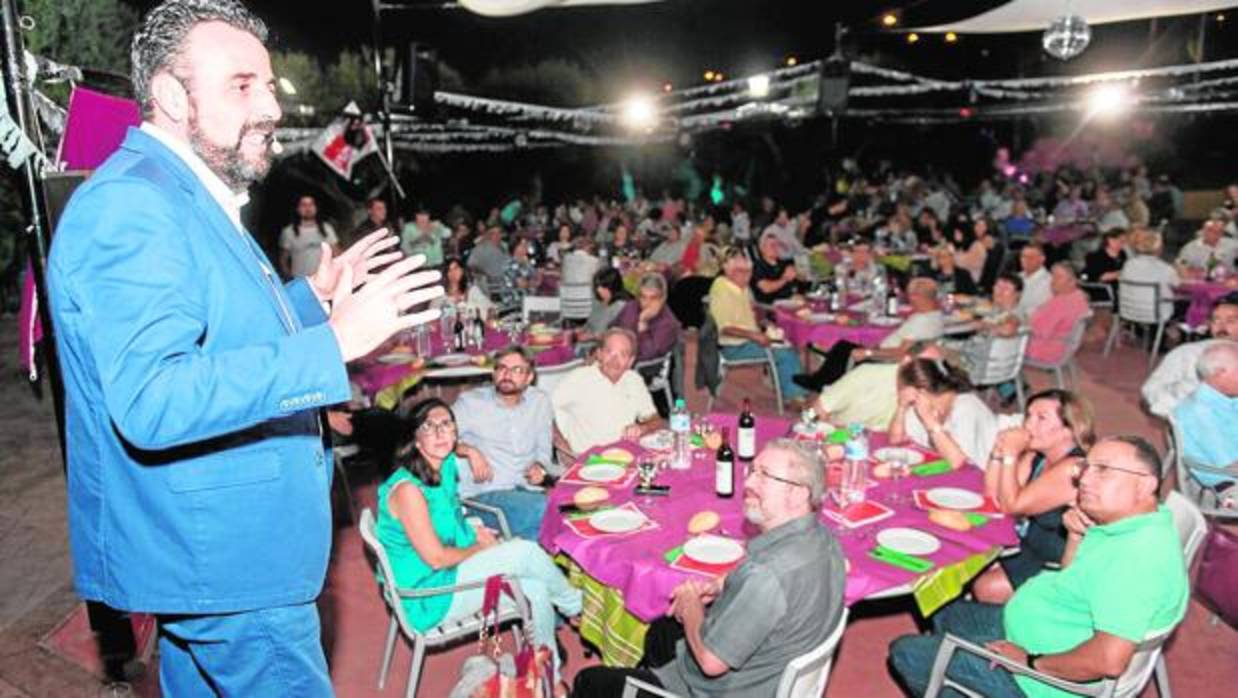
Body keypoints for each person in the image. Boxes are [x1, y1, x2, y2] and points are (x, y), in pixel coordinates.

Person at [45, 2, 443, 693]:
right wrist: (334, 342)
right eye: (241, 86)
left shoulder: (183, 192)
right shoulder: (133, 206)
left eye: (267, 86)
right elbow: (153, 398)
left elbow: (213, 328)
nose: (270, 107)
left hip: (218, 563)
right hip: (228, 562)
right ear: (171, 95)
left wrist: (307, 300)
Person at [890, 436, 1187, 698]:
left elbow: (1109, 659)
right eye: (1087, 467)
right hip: (1038, 626)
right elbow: (1073, 576)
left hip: (1039, 680)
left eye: (1104, 470)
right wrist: (1075, 537)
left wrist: (1030, 661)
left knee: (906, 652)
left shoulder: (1138, 558)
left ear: (1145, 484)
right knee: (942, 609)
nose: (1084, 480)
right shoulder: (1131, 522)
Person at [572, 439, 846, 696]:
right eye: (752, 471)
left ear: (798, 494)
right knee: (662, 630)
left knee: (590, 682)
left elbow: (711, 663)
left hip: (720, 689)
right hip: (769, 670)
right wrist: (720, 585)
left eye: (764, 475)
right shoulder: (824, 540)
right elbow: (764, 578)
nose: (749, 481)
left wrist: (693, 606)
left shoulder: (767, 578)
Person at [377, 398, 581, 692]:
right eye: (429, 427)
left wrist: (470, 451)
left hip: (446, 572)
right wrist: (481, 548)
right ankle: (576, 605)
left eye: (447, 424)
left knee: (536, 590)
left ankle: (551, 678)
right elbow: (435, 558)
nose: (440, 433)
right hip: (429, 594)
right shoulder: (409, 490)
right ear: (415, 439)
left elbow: (450, 501)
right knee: (523, 551)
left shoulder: (442, 463)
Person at [974, 389, 1095, 603]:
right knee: (972, 562)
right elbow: (994, 498)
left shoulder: (1073, 468)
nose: (1029, 425)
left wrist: (1011, 455)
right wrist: (998, 451)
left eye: (1041, 418)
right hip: (1030, 545)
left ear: (1069, 429)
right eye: (1028, 416)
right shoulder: (1038, 455)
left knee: (985, 587)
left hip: (1057, 561)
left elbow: (1013, 506)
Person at [453, 347, 556, 541]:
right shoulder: (471, 404)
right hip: (486, 497)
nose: (507, 375)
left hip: (527, 490)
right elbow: (432, 437)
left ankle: (524, 558)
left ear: (529, 377)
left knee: (566, 508)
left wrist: (540, 468)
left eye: (517, 370)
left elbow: (544, 450)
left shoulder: (539, 402)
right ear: (494, 373)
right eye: (502, 368)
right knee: (545, 511)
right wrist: (468, 450)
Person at [793, 277, 945, 392]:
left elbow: (900, 353)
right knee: (843, 346)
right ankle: (822, 379)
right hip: (888, 353)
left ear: (916, 297)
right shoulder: (935, 316)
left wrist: (868, 352)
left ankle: (822, 383)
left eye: (910, 295)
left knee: (843, 349)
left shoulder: (920, 322)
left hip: (885, 361)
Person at [708, 247, 812, 407]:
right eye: (736, 262)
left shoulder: (743, 286)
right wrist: (755, 336)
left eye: (743, 261)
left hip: (747, 339)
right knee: (785, 353)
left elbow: (752, 311)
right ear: (726, 267)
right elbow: (725, 328)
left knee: (787, 343)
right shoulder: (721, 289)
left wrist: (764, 324)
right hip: (733, 346)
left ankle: (791, 390)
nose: (744, 267)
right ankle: (795, 398)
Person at [887, 358, 1017, 470]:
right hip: (948, 471)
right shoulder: (922, 405)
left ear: (921, 392)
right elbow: (896, 439)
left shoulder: (966, 406)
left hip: (982, 475)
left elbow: (958, 461)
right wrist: (901, 407)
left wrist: (930, 421)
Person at [551, 328, 663, 456]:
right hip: (588, 460)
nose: (615, 360)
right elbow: (542, 411)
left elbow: (656, 421)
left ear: (631, 361)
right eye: (610, 352)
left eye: (623, 355)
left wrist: (643, 428)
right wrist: (565, 450)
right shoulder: (579, 379)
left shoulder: (634, 380)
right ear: (599, 354)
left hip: (624, 456)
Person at [1141, 292, 1238, 416]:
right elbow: (1151, 390)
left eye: (1231, 321)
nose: (1221, 327)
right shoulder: (1188, 353)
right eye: (1216, 320)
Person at [1172, 341, 1238, 490]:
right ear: (1220, 374)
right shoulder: (1201, 413)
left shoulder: (1227, 397)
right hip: (1228, 488)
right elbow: (1232, 467)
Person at [1025, 263, 1090, 365]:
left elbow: (1038, 330)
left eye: (1058, 277)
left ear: (1072, 281)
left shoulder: (1062, 303)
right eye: (1053, 276)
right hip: (1063, 347)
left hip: (1045, 349)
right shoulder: (1079, 296)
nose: (1052, 281)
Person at [611, 272, 682, 364]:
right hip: (614, 356)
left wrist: (643, 323)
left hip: (638, 370)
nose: (647, 303)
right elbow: (612, 328)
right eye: (643, 297)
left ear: (663, 298)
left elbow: (646, 355)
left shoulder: (668, 324)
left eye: (653, 298)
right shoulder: (631, 307)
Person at [1120, 227, 1180, 320]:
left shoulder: (1128, 265)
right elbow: (1177, 285)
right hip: (1157, 314)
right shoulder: (1166, 268)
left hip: (1128, 312)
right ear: (1159, 248)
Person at [279, 193, 338, 278]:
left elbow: (337, 253)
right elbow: (283, 261)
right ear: (297, 209)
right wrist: (292, 280)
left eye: (311, 204)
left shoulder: (326, 229)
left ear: (316, 208)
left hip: (324, 280)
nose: (308, 208)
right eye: (303, 205)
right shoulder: (288, 232)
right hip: (302, 282)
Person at [578, 267, 631, 344]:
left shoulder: (621, 307)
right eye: (597, 286)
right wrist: (579, 331)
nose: (599, 290)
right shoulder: (597, 301)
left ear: (613, 287)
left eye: (603, 286)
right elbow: (589, 324)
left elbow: (619, 337)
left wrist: (592, 337)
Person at [1176, 210, 1238, 275]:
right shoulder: (1189, 248)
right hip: (1203, 281)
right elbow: (1180, 265)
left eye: (1219, 231)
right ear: (1203, 231)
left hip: (1230, 280)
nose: (1215, 234)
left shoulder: (1232, 244)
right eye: (1211, 230)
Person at [750, 230, 799, 304]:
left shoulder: (784, 264)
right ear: (762, 248)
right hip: (770, 306)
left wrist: (799, 273)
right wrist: (785, 278)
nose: (775, 247)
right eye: (771, 245)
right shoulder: (757, 266)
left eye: (777, 245)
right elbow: (766, 288)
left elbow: (799, 281)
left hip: (790, 300)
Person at [1082, 228, 1127, 303]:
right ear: (1110, 240)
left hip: (1119, 288)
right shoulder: (1096, 256)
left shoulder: (1122, 254)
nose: (1123, 245)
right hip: (1102, 290)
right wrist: (1120, 273)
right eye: (1121, 241)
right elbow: (1097, 277)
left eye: (1124, 242)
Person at [467, 225, 511, 294]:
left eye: (499, 233)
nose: (496, 235)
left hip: (505, 286)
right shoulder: (481, 248)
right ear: (488, 235)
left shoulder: (504, 247)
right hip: (489, 287)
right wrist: (484, 274)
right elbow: (470, 265)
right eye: (493, 233)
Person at [1017, 244, 1052, 316]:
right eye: (1024, 257)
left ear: (1042, 259)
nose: (1026, 260)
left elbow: (1040, 311)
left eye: (1031, 257)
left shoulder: (1049, 282)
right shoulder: (1017, 277)